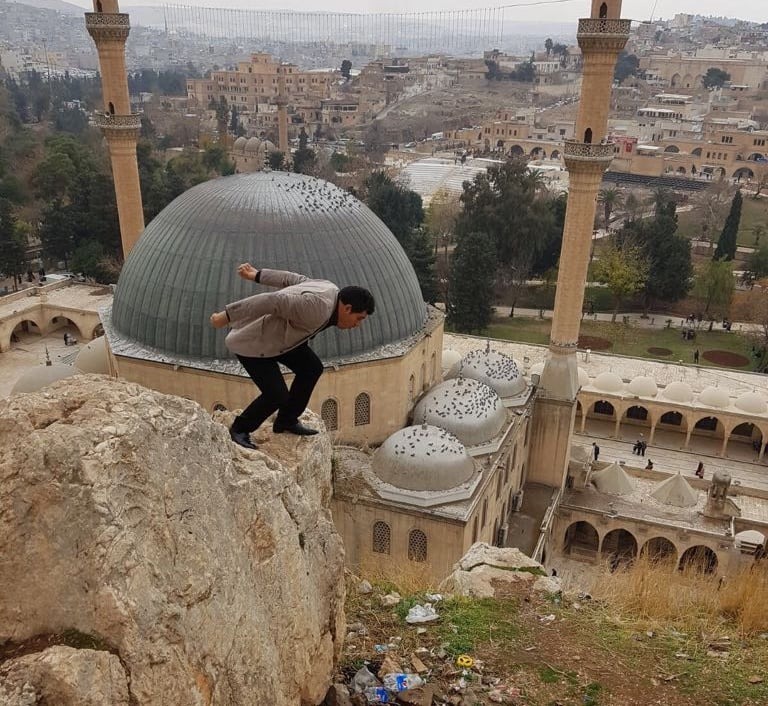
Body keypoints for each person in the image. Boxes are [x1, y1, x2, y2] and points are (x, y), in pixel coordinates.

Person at [210, 264, 375, 450]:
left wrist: (257, 275)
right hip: (255, 344)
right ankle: (240, 429)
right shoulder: (318, 309)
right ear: (347, 308)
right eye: (359, 318)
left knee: (311, 368)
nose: (357, 325)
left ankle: (286, 420)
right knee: (276, 394)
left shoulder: (330, 289)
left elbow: (293, 279)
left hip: (283, 340)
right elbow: (272, 301)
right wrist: (225, 316)